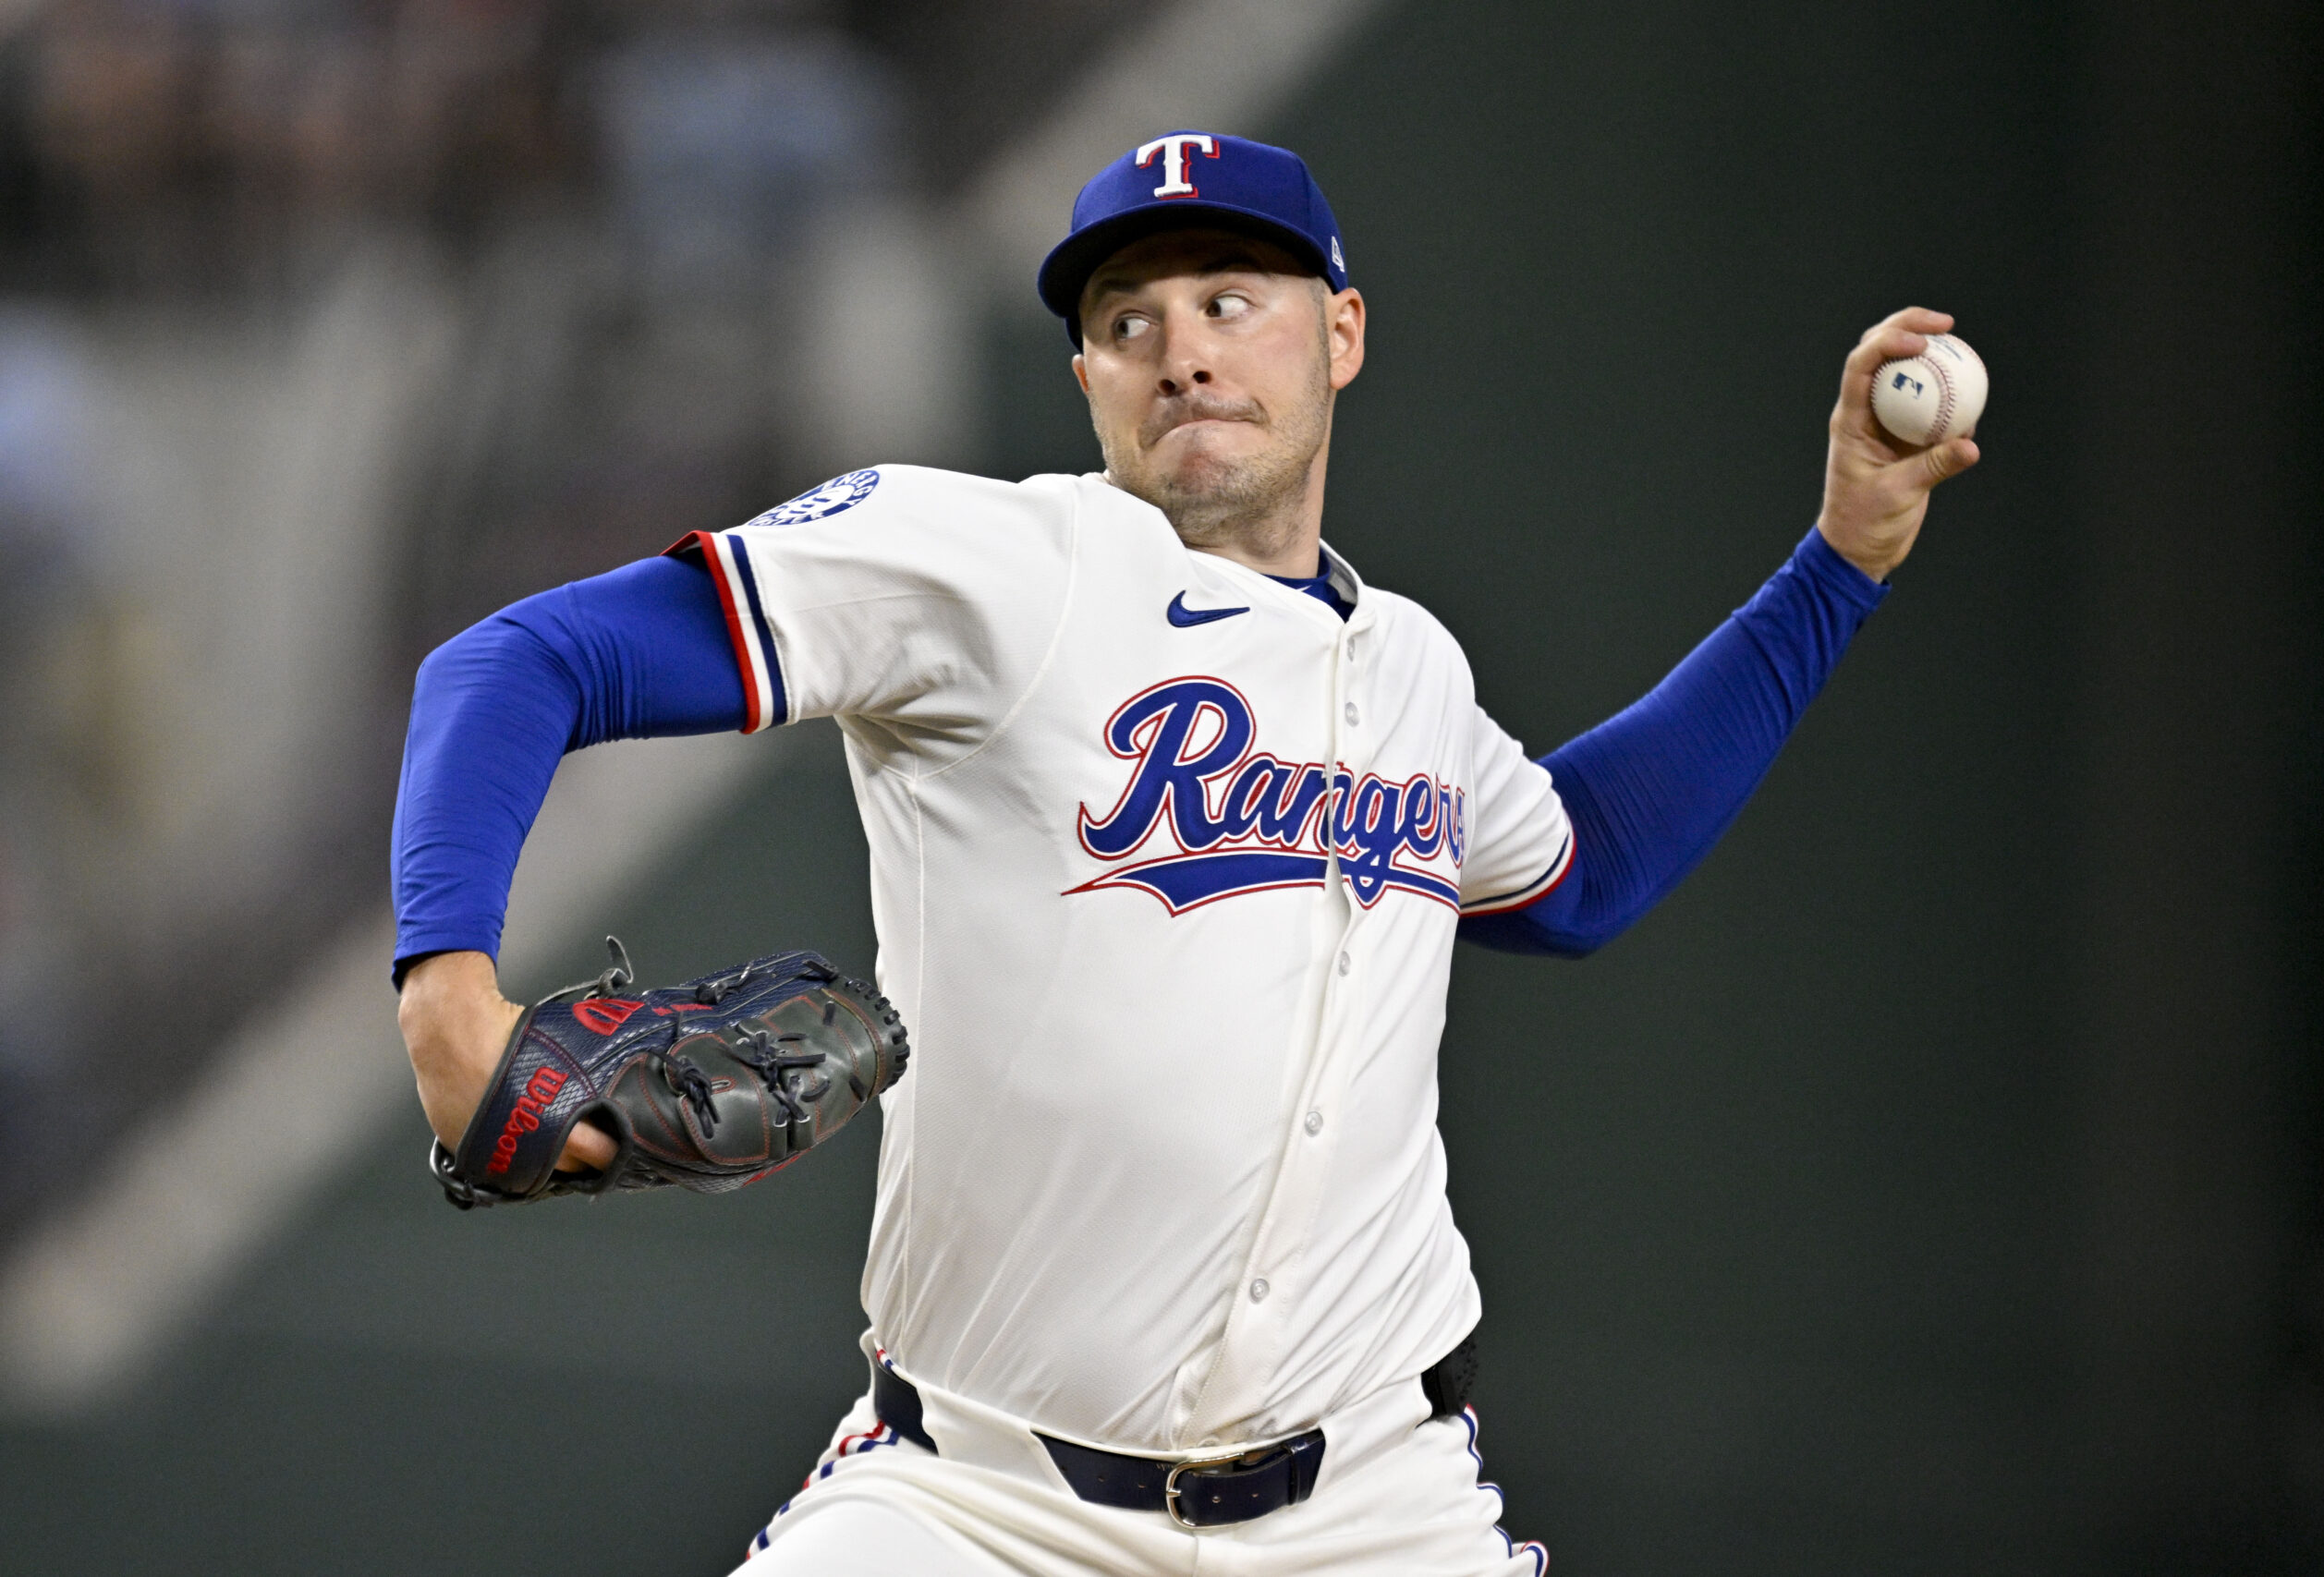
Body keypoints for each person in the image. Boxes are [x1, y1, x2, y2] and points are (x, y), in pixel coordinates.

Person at [392, 131, 1977, 1576]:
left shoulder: (1413, 666)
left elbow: (1587, 870)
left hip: (1378, 1508)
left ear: (1341, 336)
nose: (1184, 352)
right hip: (975, 1504)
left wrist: (1841, 562)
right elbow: (514, 665)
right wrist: (445, 1000)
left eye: (1234, 299)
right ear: (1083, 373)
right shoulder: (1006, 565)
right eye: (1131, 319)